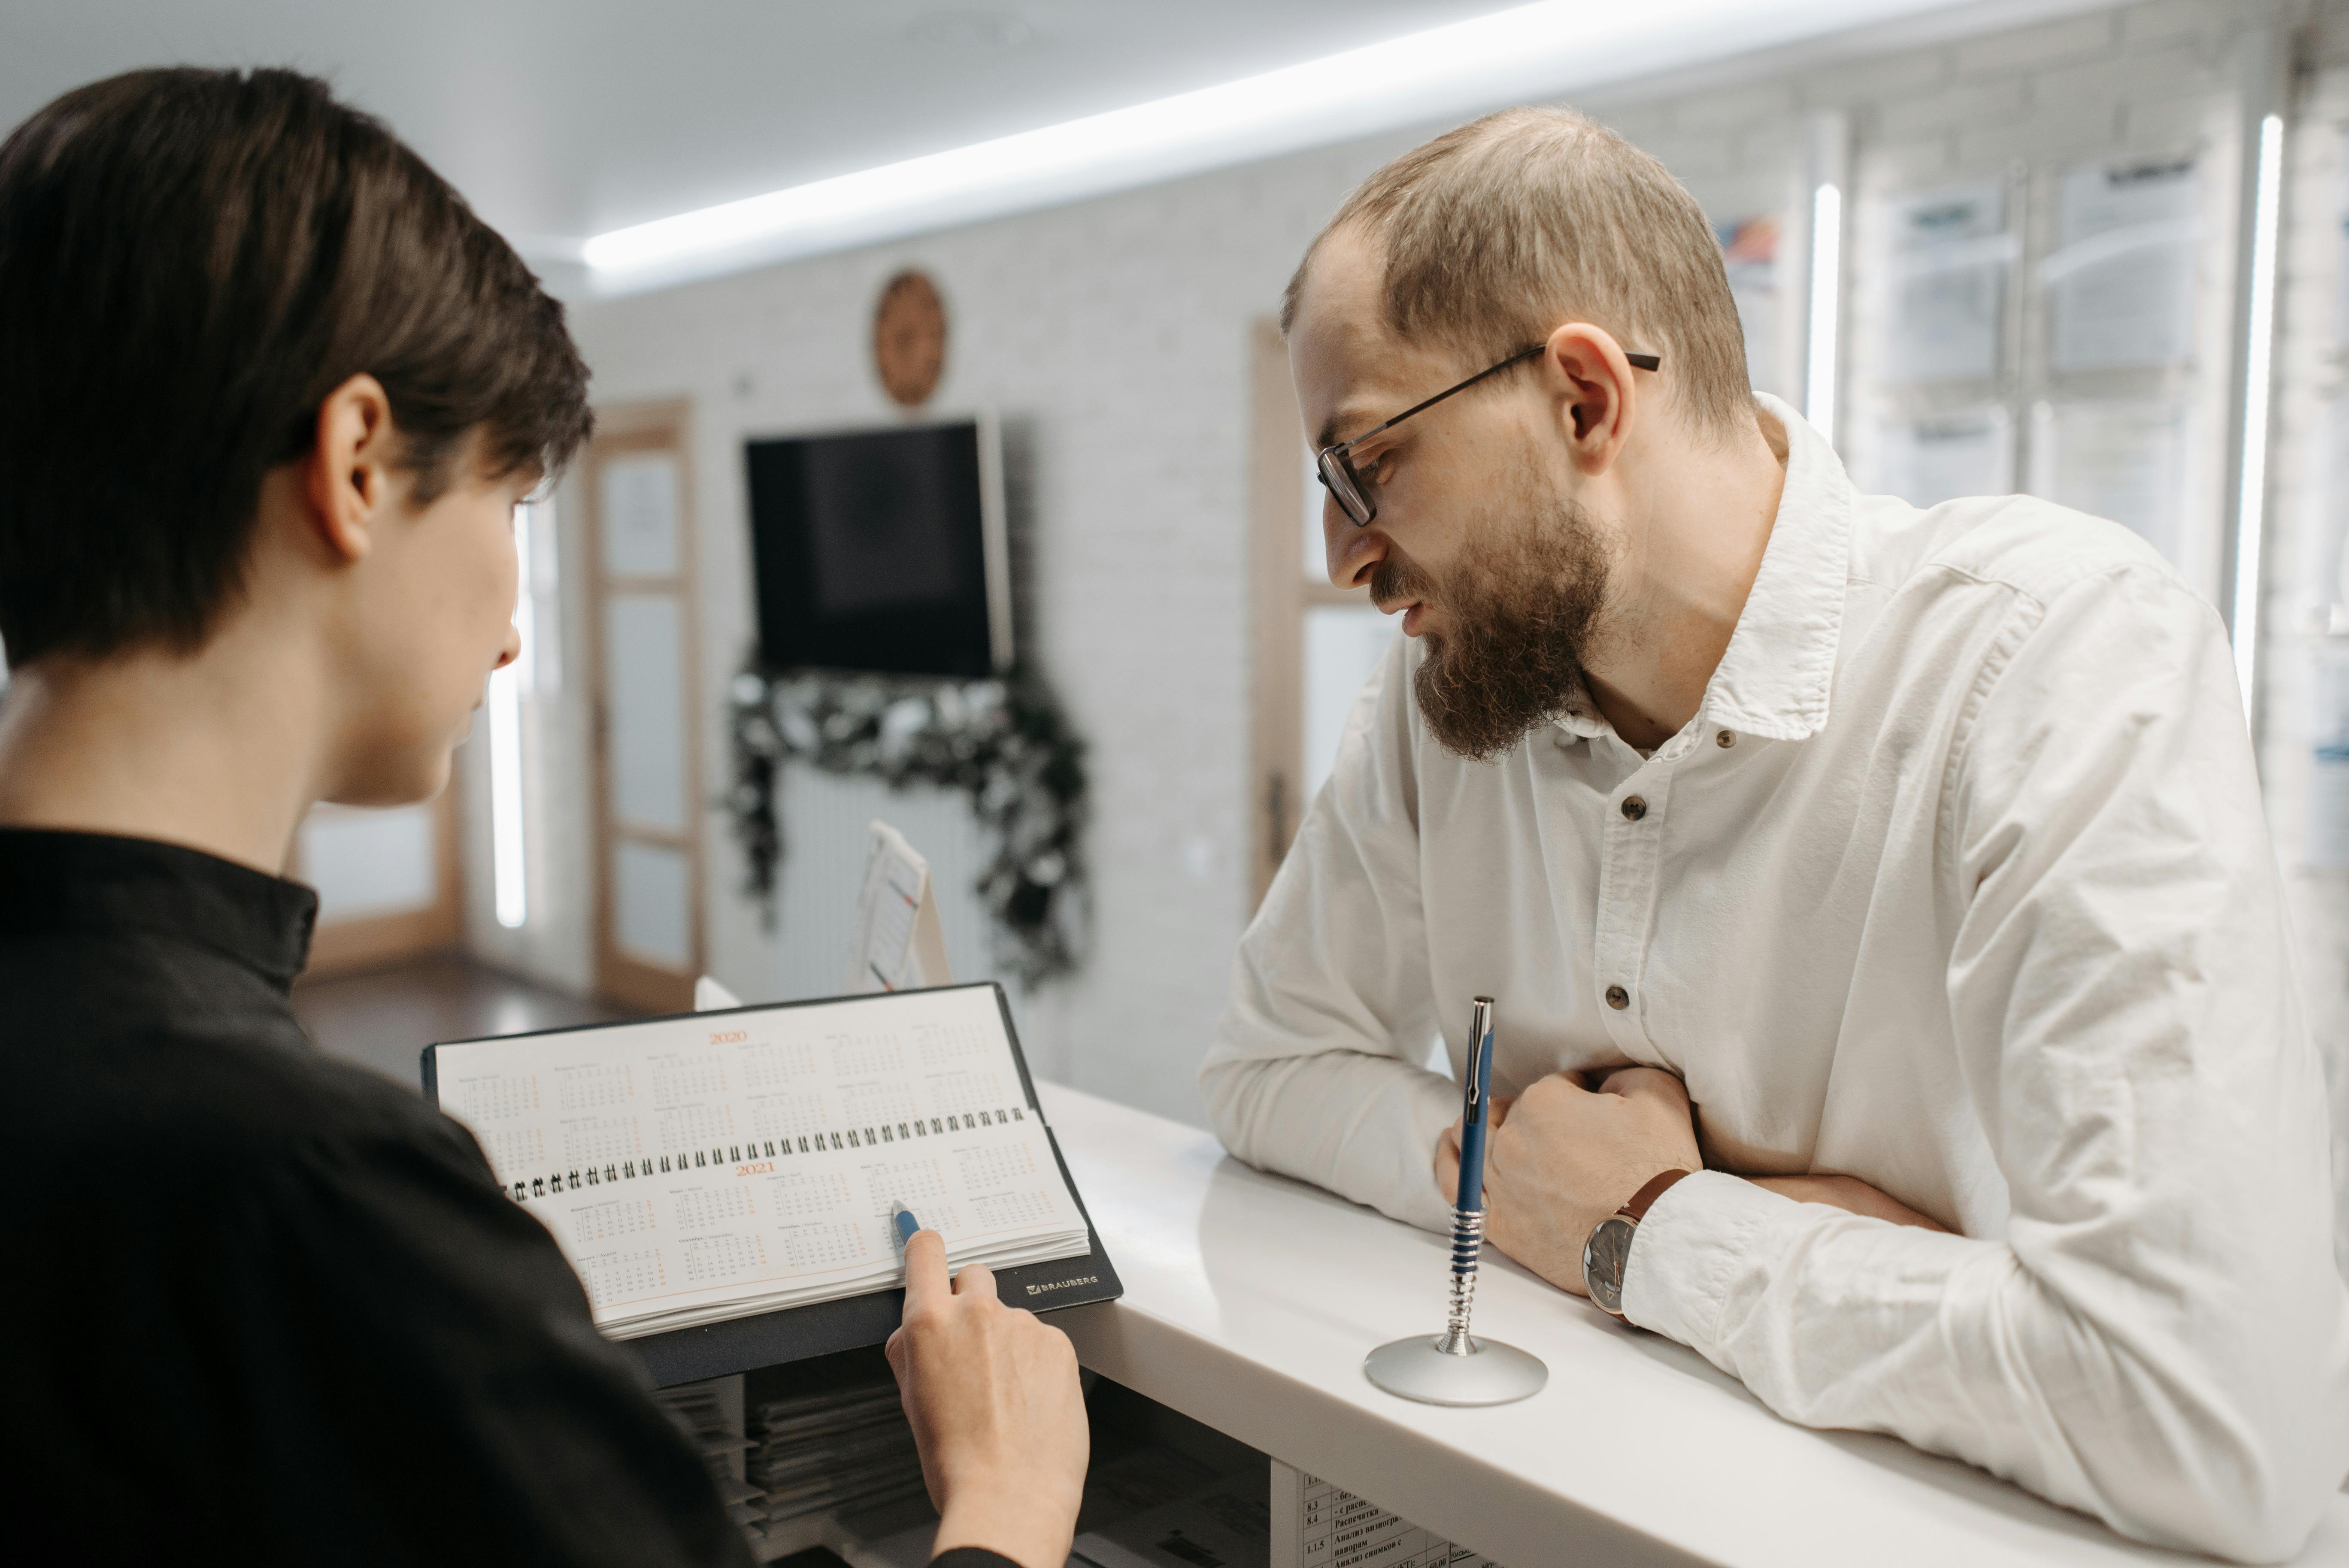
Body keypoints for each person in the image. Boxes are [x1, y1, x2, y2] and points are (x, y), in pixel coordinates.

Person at [1202, 106, 2349, 1562]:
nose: (1342, 553)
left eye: (1364, 466)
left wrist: (1651, 1229)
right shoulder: (1446, 704)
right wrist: (1558, 1187)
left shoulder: (2053, 660)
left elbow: (2216, 1420)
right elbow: (1263, 1070)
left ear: (1580, 401)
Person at [0, 68, 1085, 1568]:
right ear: (358, 464)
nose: (513, 633)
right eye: (512, 508)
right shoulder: (316, 1200)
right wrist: (1008, 1508)